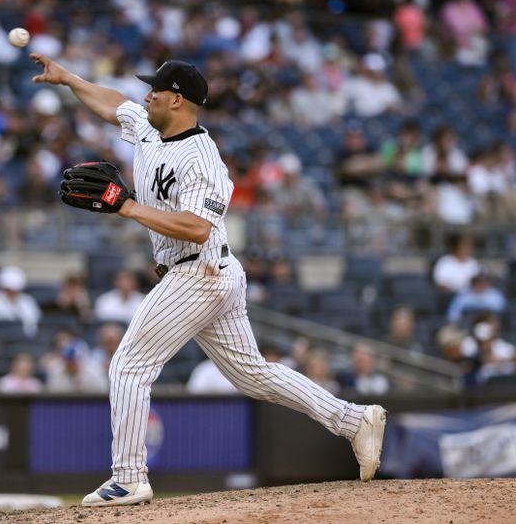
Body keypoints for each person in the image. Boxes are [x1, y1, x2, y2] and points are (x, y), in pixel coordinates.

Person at [31, 53, 386, 507]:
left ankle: (129, 476)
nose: (146, 95)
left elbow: (198, 227)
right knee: (254, 376)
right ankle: (355, 421)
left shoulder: (202, 158)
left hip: (199, 270)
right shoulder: (150, 127)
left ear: (176, 101)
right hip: (206, 272)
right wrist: (68, 79)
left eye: (154, 90)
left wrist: (128, 207)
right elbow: (114, 104)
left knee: (129, 365)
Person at [0, 266, 41, 336]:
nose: (12, 293)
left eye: (15, 290)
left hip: (21, 340)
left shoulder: (27, 301)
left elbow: (32, 326)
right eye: (8, 290)